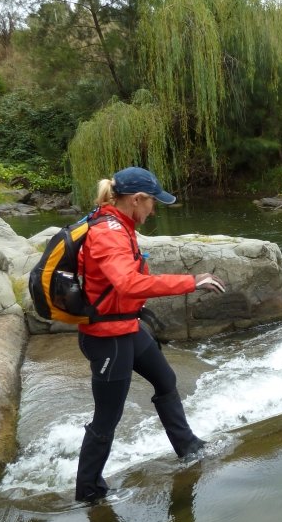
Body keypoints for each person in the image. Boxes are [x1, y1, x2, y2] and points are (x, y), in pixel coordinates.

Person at [75, 166, 226, 503]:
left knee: (165, 378)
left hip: (125, 327)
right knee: (106, 419)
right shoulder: (109, 232)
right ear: (136, 199)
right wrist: (190, 281)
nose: (154, 209)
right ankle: (88, 493)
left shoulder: (119, 224)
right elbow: (127, 284)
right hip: (107, 338)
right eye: (152, 202)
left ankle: (189, 447)